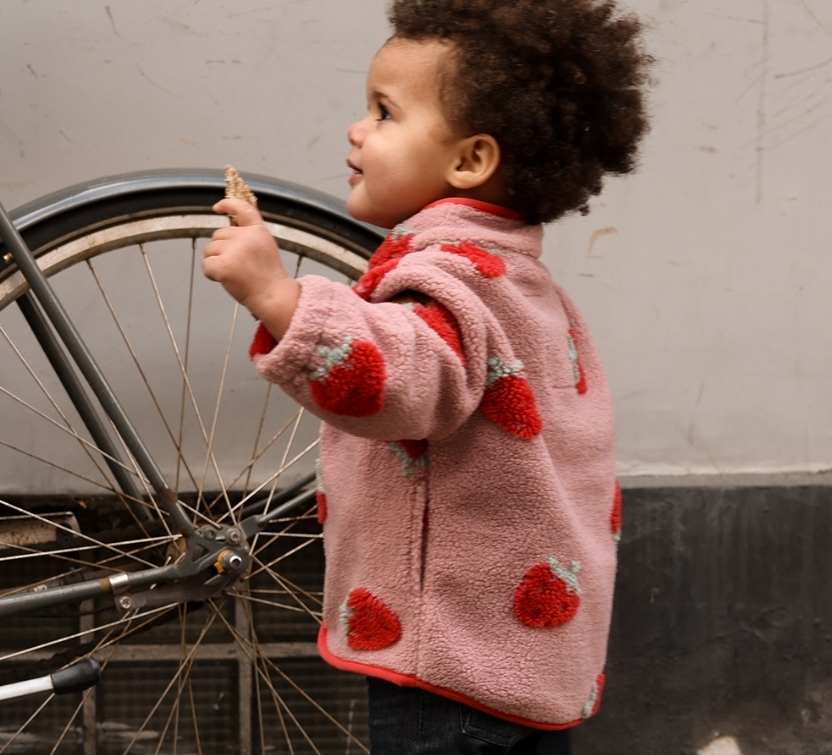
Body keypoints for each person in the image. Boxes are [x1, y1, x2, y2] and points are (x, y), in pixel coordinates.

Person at [203, 0, 651, 751]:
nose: (357, 129)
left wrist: (276, 297)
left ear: (470, 161)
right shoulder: (524, 284)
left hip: (449, 665)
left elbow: (398, 381)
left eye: (384, 112)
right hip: (527, 667)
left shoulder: (447, 280)